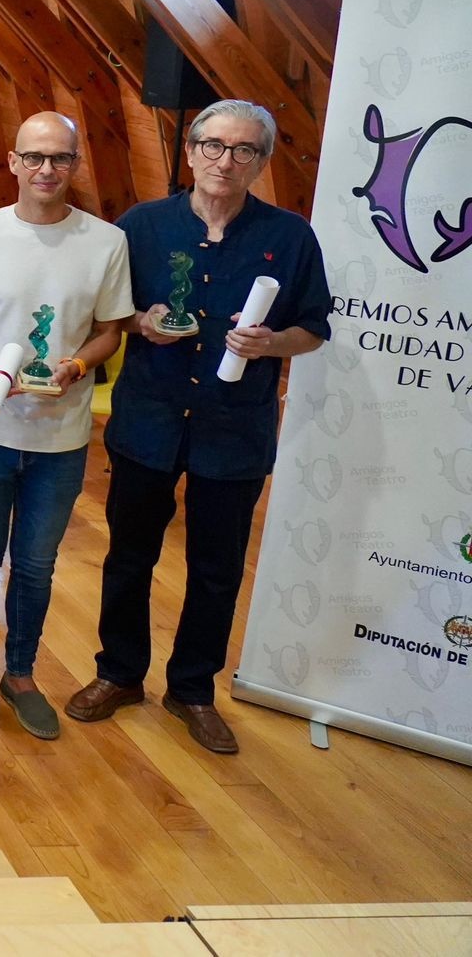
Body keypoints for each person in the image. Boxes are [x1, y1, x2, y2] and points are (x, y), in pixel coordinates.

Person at [66, 100, 331, 756]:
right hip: (150, 418)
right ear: (189, 153)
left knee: (215, 571)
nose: (225, 161)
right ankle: (119, 673)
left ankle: (192, 689)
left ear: (261, 163)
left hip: (233, 431)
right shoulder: (141, 227)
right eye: (214, 146)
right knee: (130, 555)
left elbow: (316, 329)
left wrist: (271, 344)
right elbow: (106, 313)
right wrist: (139, 324)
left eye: (244, 151)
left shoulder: (292, 237)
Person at [0, 113, 131, 740]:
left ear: (76, 165)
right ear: (13, 163)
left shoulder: (105, 243)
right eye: (35, 157)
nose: (47, 170)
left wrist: (75, 366)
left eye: (61, 158)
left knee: (37, 565)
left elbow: (109, 331)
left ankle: (19, 676)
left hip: (61, 438)